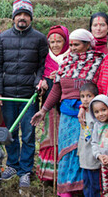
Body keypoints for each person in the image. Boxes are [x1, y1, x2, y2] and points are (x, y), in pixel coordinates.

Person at [31, 28, 104, 196]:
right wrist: (43, 110)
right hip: (66, 116)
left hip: (86, 116)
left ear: (87, 45)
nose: (72, 48)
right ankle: (66, 189)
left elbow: (99, 89)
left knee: (82, 152)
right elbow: (57, 89)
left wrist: (85, 107)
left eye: (76, 45)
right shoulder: (66, 62)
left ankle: (83, 188)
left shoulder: (97, 62)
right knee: (65, 152)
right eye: (70, 45)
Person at [0, 0, 48, 187]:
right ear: (13, 17)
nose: (22, 18)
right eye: (19, 14)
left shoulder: (40, 38)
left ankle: (25, 170)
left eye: (26, 15)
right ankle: (13, 165)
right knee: (10, 132)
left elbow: (42, 65)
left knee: (29, 133)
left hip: (28, 96)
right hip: (7, 94)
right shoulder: (3, 38)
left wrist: (37, 82)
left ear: (30, 17)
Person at [36, 25, 69, 182]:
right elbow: (40, 73)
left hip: (68, 107)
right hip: (50, 107)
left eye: (59, 41)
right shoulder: (46, 58)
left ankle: (63, 175)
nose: (55, 45)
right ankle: (49, 176)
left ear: (66, 42)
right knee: (50, 137)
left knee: (65, 138)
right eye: (52, 42)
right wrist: (42, 80)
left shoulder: (71, 59)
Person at [77, 83, 100, 197]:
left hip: (93, 155)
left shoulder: (96, 115)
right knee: (86, 182)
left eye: (88, 96)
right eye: (82, 96)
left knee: (95, 185)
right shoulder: (83, 113)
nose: (85, 100)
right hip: (84, 155)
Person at [90, 94, 108, 197]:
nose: (101, 114)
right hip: (104, 165)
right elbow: (94, 142)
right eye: (96, 112)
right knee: (106, 189)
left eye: (104, 110)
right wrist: (98, 155)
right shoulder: (96, 126)